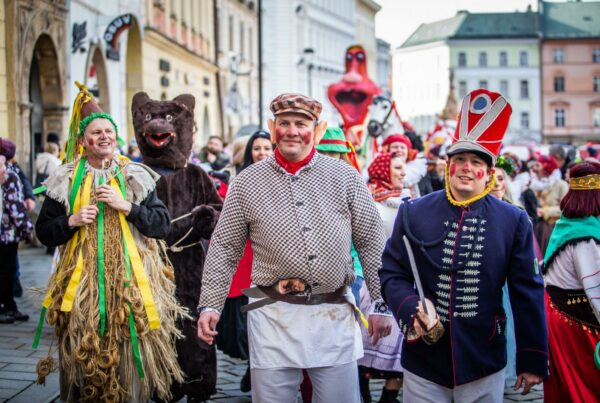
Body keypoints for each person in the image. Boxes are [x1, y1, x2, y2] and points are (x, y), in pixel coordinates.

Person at [197, 93, 393, 402]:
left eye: (301, 124)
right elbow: (224, 246)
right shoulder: (247, 182)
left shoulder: (345, 176)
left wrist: (382, 302)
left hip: (333, 315)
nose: (292, 131)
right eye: (284, 123)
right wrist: (211, 304)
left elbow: (372, 242)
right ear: (272, 128)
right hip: (273, 316)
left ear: (315, 130)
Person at [379, 89, 548, 402]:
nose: (467, 168)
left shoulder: (513, 220)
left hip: (482, 357)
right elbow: (392, 271)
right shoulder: (413, 211)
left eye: (475, 161)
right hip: (424, 360)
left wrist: (532, 357)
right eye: (460, 160)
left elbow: (528, 291)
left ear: (489, 172)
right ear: (448, 166)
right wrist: (410, 308)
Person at [35, 82, 186, 402]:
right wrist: (71, 222)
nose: (104, 136)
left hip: (130, 285)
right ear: (83, 141)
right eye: (96, 132)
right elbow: (44, 231)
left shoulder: (136, 175)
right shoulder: (64, 178)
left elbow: (161, 226)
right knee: (83, 353)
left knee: (128, 354)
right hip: (82, 286)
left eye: (109, 131)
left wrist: (126, 206)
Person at [216, 129, 273, 393]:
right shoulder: (240, 181)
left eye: (267, 148)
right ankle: (254, 362)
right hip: (245, 259)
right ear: (249, 152)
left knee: (267, 317)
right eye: (257, 148)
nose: (262, 153)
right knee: (243, 323)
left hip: (271, 259)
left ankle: (258, 368)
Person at [542, 161, 600, 402]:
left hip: (560, 313)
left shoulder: (569, 224)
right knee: (585, 388)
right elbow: (596, 288)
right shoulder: (584, 237)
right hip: (573, 320)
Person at [360, 151, 410, 403]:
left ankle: (390, 396)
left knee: (404, 341)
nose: (403, 172)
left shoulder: (409, 201)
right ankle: (362, 390)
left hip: (404, 281)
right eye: (398, 167)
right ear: (382, 170)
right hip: (375, 281)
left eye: (404, 168)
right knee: (370, 340)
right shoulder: (370, 202)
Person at [0, 155, 33, 324]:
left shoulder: (9, 177)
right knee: (7, 272)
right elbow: (15, 209)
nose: (2, 170)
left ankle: (10, 307)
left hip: (7, 234)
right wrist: (28, 230)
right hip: (6, 235)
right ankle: (7, 308)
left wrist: (26, 228)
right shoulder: (9, 177)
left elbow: (15, 207)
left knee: (9, 271)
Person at [531, 155, 568, 255]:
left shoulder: (561, 184)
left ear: (546, 167)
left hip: (554, 229)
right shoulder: (534, 184)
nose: (534, 169)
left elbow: (566, 208)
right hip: (537, 227)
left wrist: (545, 211)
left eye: (537, 166)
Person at [381, 133, 425, 198]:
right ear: (387, 150)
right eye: (395, 147)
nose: (399, 150)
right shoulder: (379, 170)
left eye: (402, 147)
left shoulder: (419, 172)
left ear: (408, 152)